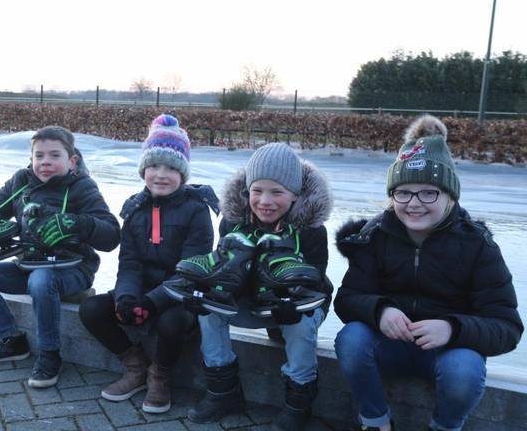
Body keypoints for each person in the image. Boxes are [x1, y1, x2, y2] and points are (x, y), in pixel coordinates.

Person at [334, 115, 523, 431]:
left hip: (448, 353)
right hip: (389, 345)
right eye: (403, 193)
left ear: (450, 195)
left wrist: (452, 328)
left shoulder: (478, 245)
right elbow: (348, 299)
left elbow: (506, 327)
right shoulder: (375, 236)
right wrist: (380, 310)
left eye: (428, 193)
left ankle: (444, 426)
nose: (414, 204)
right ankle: (376, 421)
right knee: (351, 339)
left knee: (465, 369)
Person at [0, 126, 120, 389]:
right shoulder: (21, 181)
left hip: (75, 268)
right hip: (29, 263)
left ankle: (50, 354)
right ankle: (12, 340)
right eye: (39, 156)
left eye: (55, 155)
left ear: (72, 161)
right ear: (32, 158)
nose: (45, 162)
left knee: (41, 280)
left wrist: (78, 224)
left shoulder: (82, 187)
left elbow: (112, 235)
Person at [186, 143, 333, 430]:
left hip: (297, 303)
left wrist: (293, 298)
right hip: (249, 299)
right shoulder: (232, 222)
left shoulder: (312, 230)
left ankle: (298, 403)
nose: (265, 201)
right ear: (246, 191)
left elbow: (316, 279)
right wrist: (205, 291)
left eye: (277, 192)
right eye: (257, 190)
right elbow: (223, 271)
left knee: (301, 322)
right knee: (208, 307)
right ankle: (223, 391)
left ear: (295, 195)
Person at [79, 114, 219, 413]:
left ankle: (160, 375)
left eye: (171, 167)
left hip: (182, 295)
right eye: (154, 166)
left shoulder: (197, 210)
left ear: (183, 173)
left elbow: (192, 269)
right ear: (144, 169)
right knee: (91, 309)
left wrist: (152, 303)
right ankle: (136, 366)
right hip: (142, 290)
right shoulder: (135, 209)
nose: (161, 174)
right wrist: (128, 297)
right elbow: (129, 262)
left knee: (172, 322)